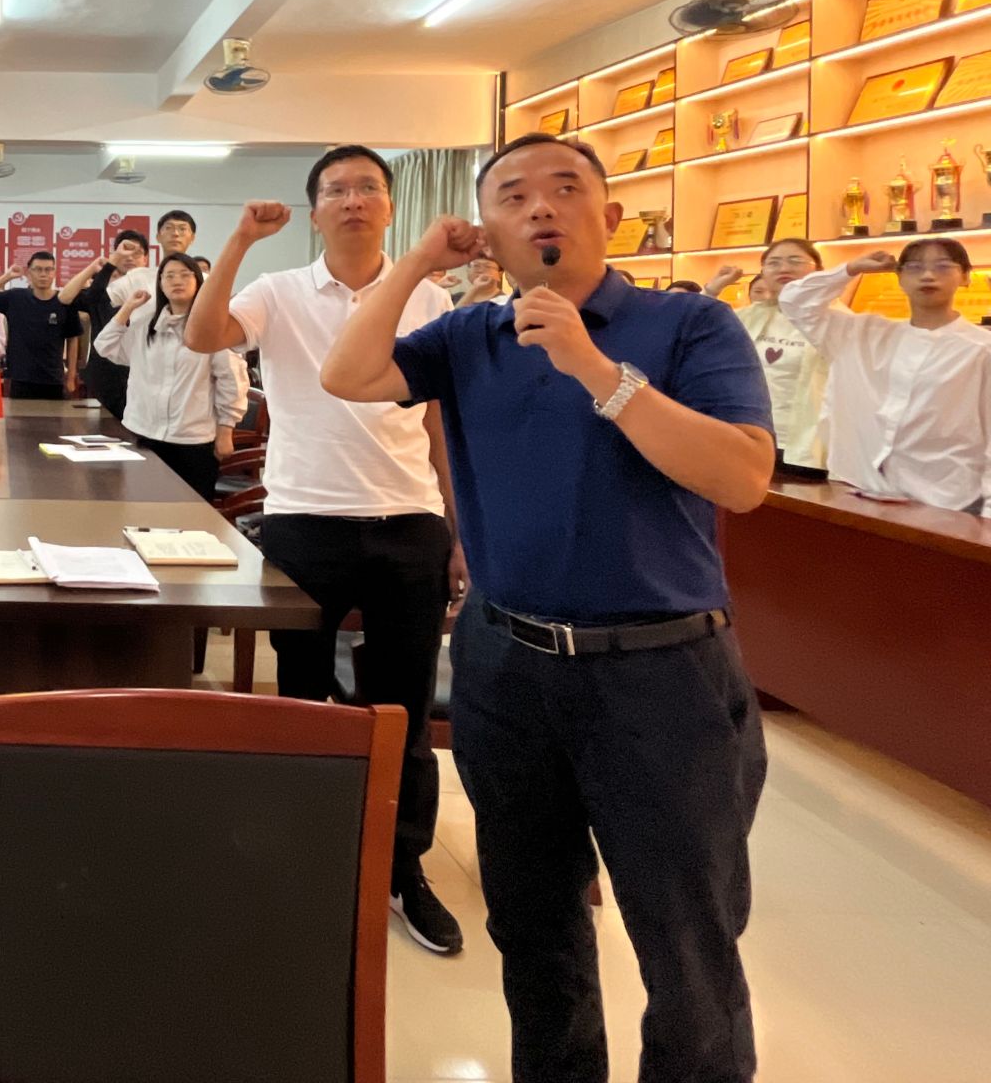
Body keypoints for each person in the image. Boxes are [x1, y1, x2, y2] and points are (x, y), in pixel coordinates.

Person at [321, 132, 775, 1083]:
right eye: (512, 195)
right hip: (507, 665)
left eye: (565, 188)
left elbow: (741, 478)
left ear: (610, 215)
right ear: (487, 230)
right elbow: (349, 375)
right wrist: (418, 260)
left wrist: (596, 369)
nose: (539, 207)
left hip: (661, 671)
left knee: (685, 939)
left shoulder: (689, 325)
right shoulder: (469, 335)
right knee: (533, 927)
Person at [185, 146, 465, 958]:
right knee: (301, 701)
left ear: (390, 207)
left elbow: (437, 420)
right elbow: (204, 334)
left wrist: (457, 528)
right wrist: (240, 240)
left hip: (409, 522)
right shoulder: (278, 291)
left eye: (368, 187)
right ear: (315, 212)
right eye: (336, 189)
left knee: (402, 710)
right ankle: (300, 854)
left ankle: (402, 866)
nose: (352, 200)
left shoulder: (429, 296)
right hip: (306, 523)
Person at [779, 240, 991, 513]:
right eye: (914, 267)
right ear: (899, 277)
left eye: (943, 266)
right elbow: (794, 302)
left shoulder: (981, 349)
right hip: (856, 491)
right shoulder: (861, 333)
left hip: (944, 503)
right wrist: (851, 269)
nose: (928, 275)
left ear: (965, 277)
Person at [94, 253, 244, 497]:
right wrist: (128, 308)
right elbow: (104, 346)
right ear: (160, 284)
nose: (177, 281)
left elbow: (232, 380)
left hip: (192, 438)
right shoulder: (146, 325)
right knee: (141, 507)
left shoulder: (211, 328)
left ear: (198, 282)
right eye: (169, 276)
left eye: (185, 275)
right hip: (143, 432)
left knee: (191, 511)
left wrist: (226, 430)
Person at [704, 239, 830, 474]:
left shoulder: (833, 319)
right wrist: (713, 289)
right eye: (774, 263)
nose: (784, 268)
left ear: (819, 270)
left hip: (805, 446)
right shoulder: (752, 316)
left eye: (795, 261)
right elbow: (700, 330)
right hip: (752, 438)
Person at [61, 230, 148, 419]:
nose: (130, 257)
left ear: (145, 259)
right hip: (105, 373)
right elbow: (65, 298)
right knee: (105, 429)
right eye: (125, 251)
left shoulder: (154, 290)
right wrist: (99, 266)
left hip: (143, 371)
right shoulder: (103, 291)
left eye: (136, 253)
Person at [0, 252, 82, 400]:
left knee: (55, 415)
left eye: (48, 269)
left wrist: (71, 376)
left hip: (53, 378)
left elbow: (73, 339)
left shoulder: (64, 301)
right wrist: (7, 276)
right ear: (29, 273)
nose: (43, 274)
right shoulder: (15, 297)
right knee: (19, 415)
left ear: (54, 272)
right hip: (20, 377)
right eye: (38, 269)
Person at [107, 209, 196, 304]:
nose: (175, 233)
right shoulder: (136, 278)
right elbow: (99, 302)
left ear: (192, 238)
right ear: (158, 237)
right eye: (169, 228)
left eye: (182, 229)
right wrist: (109, 265)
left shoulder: (203, 280)